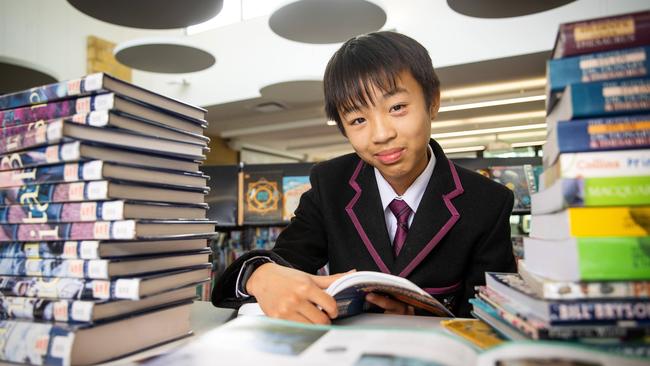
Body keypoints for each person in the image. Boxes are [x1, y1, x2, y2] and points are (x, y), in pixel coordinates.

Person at [212, 31, 516, 323]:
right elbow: (286, 260)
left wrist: (419, 318)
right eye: (358, 119)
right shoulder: (330, 184)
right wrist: (262, 275)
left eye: (397, 107)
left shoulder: (489, 202)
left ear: (432, 101)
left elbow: (489, 318)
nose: (381, 134)